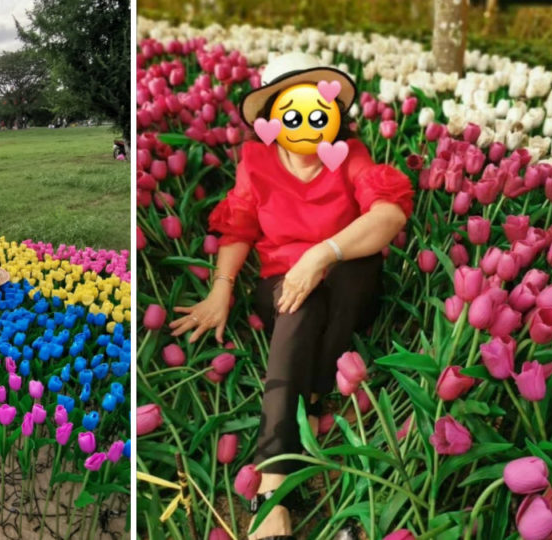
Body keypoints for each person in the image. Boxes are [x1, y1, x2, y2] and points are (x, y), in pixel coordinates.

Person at [168, 53, 414, 540]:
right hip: (281, 287)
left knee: (357, 262)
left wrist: (321, 254)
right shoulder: (256, 161)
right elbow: (238, 224)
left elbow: (389, 216)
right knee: (297, 303)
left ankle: (297, 417)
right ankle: (280, 469)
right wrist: (222, 289)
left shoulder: (351, 155)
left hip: (346, 284)